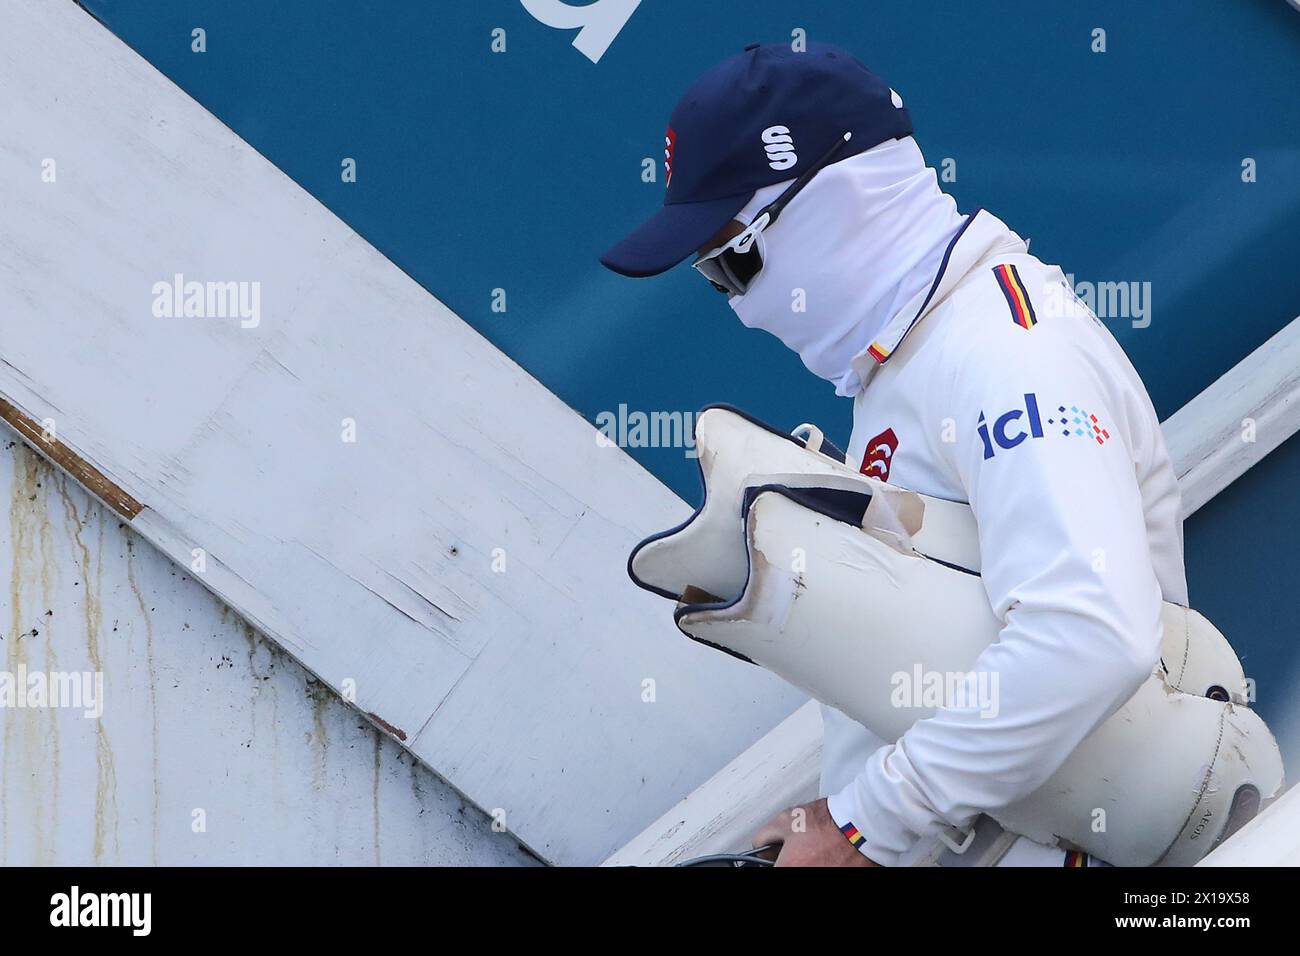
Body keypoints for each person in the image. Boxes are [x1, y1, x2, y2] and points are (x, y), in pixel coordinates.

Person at [600, 41, 1188, 867]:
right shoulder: (913, 362)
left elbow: (1089, 631)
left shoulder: (1004, 350)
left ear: (835, 203)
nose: (736, 306)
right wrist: (844, 812)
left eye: (734, 260)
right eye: (713, 278)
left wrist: (862, 825)